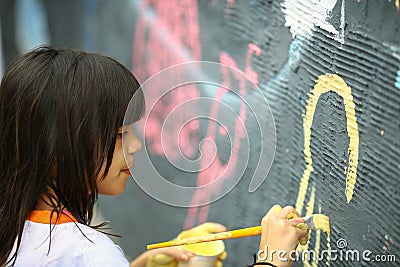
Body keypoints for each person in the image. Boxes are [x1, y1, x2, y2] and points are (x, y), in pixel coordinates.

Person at [0, 46, 307, 267]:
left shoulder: (15, 227)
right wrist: (272, 259)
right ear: (58, 152)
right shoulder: (89, 254)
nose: (135, 145)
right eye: (120, 135)